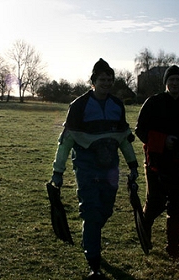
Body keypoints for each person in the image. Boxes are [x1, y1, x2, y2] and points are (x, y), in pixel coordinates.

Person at [51, 58, 139, 278]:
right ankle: (94, 263)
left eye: (110, 79)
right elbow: (66, 141)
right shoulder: (79, 106)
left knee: (105, 210)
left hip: (110, 167)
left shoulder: (117, 105)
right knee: (90, 211)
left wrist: (133, 164)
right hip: (86, 166)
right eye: (102, 79)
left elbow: (123, 139)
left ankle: (90, 234)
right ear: (93, 81)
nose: (106, 83)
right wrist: (57, 172)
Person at [135, 65, 179, 258]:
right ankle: (145, 238)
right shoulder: (153, 102)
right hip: (156, 164)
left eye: (178, 80)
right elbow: (140, 130)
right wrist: (163, 141)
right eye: (171, 80)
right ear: (166, 83)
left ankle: (173, 249)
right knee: (155, 204)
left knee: (177, 208)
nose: (175, 83)